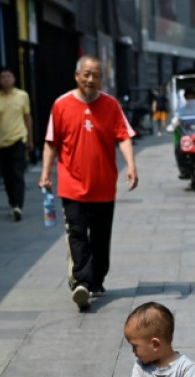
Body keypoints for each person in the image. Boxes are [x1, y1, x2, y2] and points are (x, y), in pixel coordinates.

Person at [37, 55, 138, 311]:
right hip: (72, 186)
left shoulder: (111, 105)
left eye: (96, 75)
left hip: (104, 186)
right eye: (87, 74)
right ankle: (82, 282)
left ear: (101, 79)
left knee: (101, 239)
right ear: (77, 75)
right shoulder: (61, 105)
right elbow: (51, 142)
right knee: (78, 234)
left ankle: (97, 279)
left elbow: (123, 137)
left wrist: (132, 166)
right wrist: (45, 173)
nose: (91, 79)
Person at [0, 67, 34, 221]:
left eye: (8, 76)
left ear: (14, 79)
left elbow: (28, 118)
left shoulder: (22, 96)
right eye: (2, 76)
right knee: (7, 177)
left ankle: (18, 205)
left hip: (19, 139)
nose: (5, 79)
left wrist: (30, 139)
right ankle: (13, 204)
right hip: (1, 143)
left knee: (17, 174)